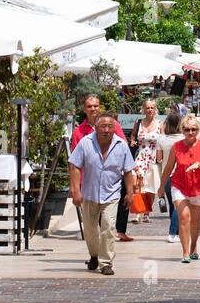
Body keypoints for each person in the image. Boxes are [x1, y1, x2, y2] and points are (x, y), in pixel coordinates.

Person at [69, 112, 136, 275]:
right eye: (103, 126)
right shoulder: (86, 143)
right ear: (97, 127)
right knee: (90, 229)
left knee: (108, 226)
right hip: (89, 193)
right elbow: (74, 166)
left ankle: (106, 262)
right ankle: (94, 255)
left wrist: (130, 192)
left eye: (110, 127)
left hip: (111, 194)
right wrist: (75, 190)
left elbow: (128, 171)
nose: (106, 130)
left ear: (115, 128)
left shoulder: (121, 145)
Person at [71, 94, 135, 242]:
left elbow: (123, 147)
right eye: (89, 106)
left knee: (107, 221)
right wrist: (74, 188)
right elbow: (74, 163)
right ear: (84, 109)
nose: (93, 109)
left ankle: (107, 251)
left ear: (100, 108)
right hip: (89, 184)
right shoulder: (79, 131)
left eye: (95, 106)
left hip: (112, 182)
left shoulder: (112, 125)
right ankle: (96, 252)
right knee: (91, 225)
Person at [159, 115, 200, 263]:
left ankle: (194, 246)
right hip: (179, 185)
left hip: (198, 187)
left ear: (198, 130)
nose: (190, 132)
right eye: (187, 129)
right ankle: (185, 252)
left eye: (194, 129)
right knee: (184, 217)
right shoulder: (176, 146)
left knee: (195, 221)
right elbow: (168, 168)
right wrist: (160, 187)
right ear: (182, 130)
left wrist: (199, 165)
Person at [130, 98, 162, 222]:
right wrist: (133, 141)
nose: (149, 110)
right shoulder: (138, 122)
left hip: (153, 158)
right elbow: (133, 135)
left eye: (152, 108)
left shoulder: (160, 123)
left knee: (150, 187)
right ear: (144, 109)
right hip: (140, 156)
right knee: (136, 184)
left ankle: (147, 213)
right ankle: (138, 213)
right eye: (147, 108)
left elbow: (163, 140)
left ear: (155, 110)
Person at [156, 110, 184, 243]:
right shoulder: (183, 138)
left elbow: (159, 158)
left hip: (166, 176)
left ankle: (177, 231)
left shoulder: (160, 138)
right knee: (179, 205)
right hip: (179, 175)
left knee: (174, 205)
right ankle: (173, 232)